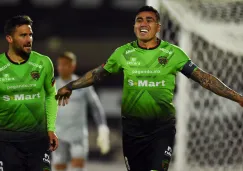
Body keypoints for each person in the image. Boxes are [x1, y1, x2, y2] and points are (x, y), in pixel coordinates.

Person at [55, 6, 243, 171]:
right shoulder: (123, 53)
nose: (143, 23)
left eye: (149, 20)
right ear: (134, 26)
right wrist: (71, 86)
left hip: (162, 127)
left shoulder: (173, 53)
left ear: (158, 27)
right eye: (139, 20)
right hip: (132, 129)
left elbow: (205, 79)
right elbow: (97, 74)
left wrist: (238, 98)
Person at [0, 15, 58, 171]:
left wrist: (51, 129)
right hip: (7, 142)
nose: (29, 39)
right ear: (9, 38)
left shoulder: (43, 63)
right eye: (23, 35)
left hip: (38, 140)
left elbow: (51, 95)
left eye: (30, 34)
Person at [52, 51, 110, 171]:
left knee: (77, 167)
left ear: (73, 66)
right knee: (58, 167)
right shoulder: (52, 86)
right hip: (58, 134)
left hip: (77, 135)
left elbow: (95, 107)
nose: (61, 68)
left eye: (65, 65)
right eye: (59, 65)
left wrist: (102, 127)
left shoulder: (83, 84)